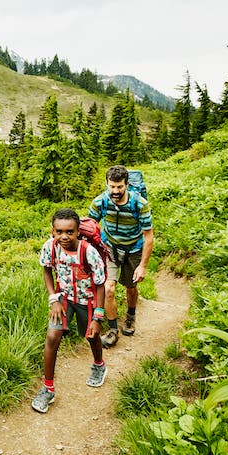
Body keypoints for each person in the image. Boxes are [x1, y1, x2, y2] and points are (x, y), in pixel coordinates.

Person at [31, 208, 107, 414]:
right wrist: (53, 299)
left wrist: (97, 317)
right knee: (52, 337)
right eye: (59, 231)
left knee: (91, 336)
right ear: (53, 231)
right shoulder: (50, 247)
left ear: (78, 232)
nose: (64, 236)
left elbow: (100, 284)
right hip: (63, 298)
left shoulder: (88, 251)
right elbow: (46, 269)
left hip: (87, 300)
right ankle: (48, 389)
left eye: (69, 232)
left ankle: (99, 364)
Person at [88, 165, 154, 348]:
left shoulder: (139, 204)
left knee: (130, 287)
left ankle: (131, 316)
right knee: (108, 289)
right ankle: (112, 329)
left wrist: (142, 266)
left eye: (119, 187)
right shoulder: (100, 202)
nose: (115, 191)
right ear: (107, 184)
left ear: (126, 185)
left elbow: (149, 236)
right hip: (110, 249)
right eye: (112, 187)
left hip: (133, 249)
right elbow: (90, 226)